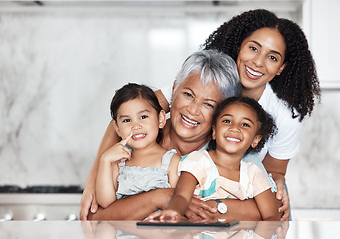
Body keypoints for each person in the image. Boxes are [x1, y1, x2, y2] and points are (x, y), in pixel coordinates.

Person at [156, 9, 321, 220]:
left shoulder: (285, 115)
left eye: (272, 57)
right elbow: (134, 112)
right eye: (253, 48)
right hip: (201, 185)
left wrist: (277, 186)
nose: (258, 62)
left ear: (281, 68)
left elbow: (272, 174)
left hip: (251, 192)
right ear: (239, 46)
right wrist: (98, 171)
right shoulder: (205, 81)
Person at [80, 49, 252, 221]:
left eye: (208, 104)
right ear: (174, 88)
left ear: (222, 112)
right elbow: (95, 217)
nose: (192, 110)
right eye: (188, 95)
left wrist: (209, 206)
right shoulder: (138, 136)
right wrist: (159, 198)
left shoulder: (229, 151)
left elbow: (264, 208)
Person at [148, 97, 280, 222]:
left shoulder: (253, 173)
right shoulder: (199, 161)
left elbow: (271, 217)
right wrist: (174, 211)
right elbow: (181, 195)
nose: (234, 128)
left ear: (255, 140)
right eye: (227, 121)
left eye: (245, 124)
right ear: (215, 131)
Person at [95, 83, 181, 209]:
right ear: (117, 129)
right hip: (123, 228)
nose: (135, 126)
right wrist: (105, 160)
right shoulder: (117, 164)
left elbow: (178, 205)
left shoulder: (172, 162)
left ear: (161, 119)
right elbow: (105, 203)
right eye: (126, 120)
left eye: (143, 117)